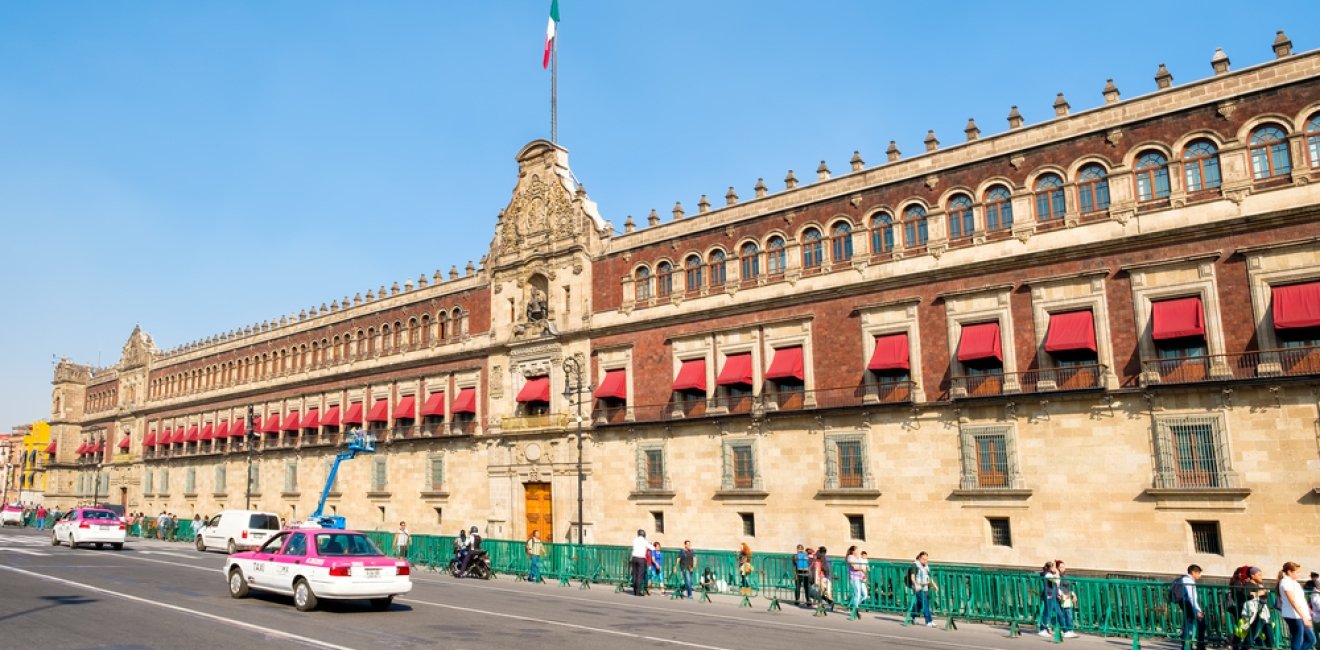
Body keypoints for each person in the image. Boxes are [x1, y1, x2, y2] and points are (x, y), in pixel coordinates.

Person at [1278, 562, 1316, 650]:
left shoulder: (1294, 582)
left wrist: (1308, 611)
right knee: (1298, 640)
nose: (1298, 574)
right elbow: (1293, 601)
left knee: (1311, 640)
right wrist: (1304, 617)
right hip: (1293, 615)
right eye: (1296, 572)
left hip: (1300, 615)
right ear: (1289, 572)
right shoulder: (1286, 582)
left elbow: (1300, 599)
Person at [1231, 566, 1271, 650]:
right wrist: (1259, 593)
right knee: (1253, 633)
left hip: (1261, 613)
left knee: (1264, 633)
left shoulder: (1258, 585)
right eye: (1259, 575)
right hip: (1254, 614)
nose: (1261, 576)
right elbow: (1246, 594)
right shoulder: (1249, 584)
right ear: (1252, 576)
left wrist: (1263, 592)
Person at [1178, 564, 1208, 650]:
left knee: (1188, 624)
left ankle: (1187, 646)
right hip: (1190, 605)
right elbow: (1191, 597)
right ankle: (1198, 645)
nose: (1199, 575)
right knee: (1200, 623)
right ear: (1193, 572)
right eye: (1198, 573)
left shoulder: (1183, 579)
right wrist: (1198, 610)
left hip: (1185, 604)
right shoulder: (1189, 581)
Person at [908, 551, 937, 627]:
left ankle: (911, 617)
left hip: (925, 587)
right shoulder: (915, 565)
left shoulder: (926, 566)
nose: (925, 561)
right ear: (919, 558)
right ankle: (929, 621)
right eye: (923, 559)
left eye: (926, 559)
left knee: (920, 605)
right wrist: (915, 585)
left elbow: (929, 577)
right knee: (925, 604)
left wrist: (934, 585)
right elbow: (912, 577)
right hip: (918, 588)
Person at [1038, 561, 1062, 637]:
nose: (1056, 568)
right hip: (1049, 595)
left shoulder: (1050, 574)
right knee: (1047, 612)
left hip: (1053, 595)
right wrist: (1057, 573)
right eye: (1054, 567)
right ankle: (1042, 629)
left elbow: (1057, 584)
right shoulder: (1047, 574)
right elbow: (1056, 581)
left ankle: (1064, 629)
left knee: (1058, 613)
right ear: (1050, 568)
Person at [1056, 560, 1078, 639]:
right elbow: (1056, 586)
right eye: (1061, 567)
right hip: (1063, 596)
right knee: (1067, 613)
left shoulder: (1064, 576)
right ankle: (1068, 630)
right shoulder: (1057, 576)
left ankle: (1069, 630)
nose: (1063, 568)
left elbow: (1068, 587)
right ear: (1057, 568)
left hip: (1067, 595)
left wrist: (1073, 594)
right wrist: (1059, 594)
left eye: (1064, 567)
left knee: (1068, 612)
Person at [630, 529, 649, 596]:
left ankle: (635, 591)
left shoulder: (635, 540)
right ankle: (638, 592)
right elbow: (651, 547)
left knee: (634, 575)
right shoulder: (644, 541)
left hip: (634, 558)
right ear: (644, 534)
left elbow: (633, 547)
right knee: (640, 575)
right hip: (641, 559)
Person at [846, 546, 866, 610]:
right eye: (856, 550)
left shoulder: (858, 558)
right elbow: (854, 567)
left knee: (863, 595)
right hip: (854, 578)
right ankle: (855, 608)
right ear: (853, 551)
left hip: (860, 578)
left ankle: (852, 606)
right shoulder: (850, 557)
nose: (858, 551)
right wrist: (861, 568)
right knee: (857, 594)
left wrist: (864, 575)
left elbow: (863, 566)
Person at [815, 546, 834, 610]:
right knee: (827, 592)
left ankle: (824, 604)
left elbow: (818, 569)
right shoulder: (828, 559)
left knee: (821, 592)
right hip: (828, 577)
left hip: (822, 577)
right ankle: (829, 603)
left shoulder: (820, 559)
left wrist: (817, 579)